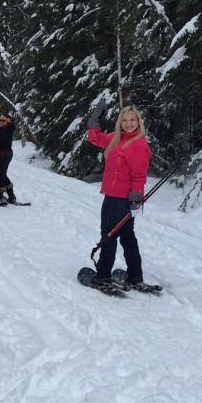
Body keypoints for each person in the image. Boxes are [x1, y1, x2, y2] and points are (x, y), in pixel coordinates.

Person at [86, 101, 152, 287]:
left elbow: (139, 177)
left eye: (132, 120)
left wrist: (134, 201)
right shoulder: (117, 138)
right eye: (125, 120)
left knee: (109, 235)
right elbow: (95, 138)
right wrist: (94, 119)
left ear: (138, 122)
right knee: (126, 235)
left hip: (123, 199)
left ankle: (103, 275)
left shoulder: (138, 145)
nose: (128, 123)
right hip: (112, 195)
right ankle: (135, 276)